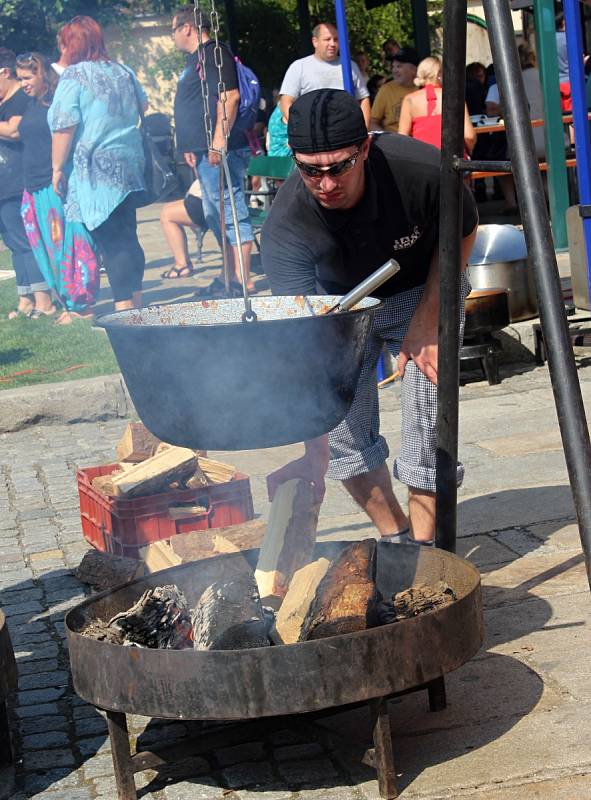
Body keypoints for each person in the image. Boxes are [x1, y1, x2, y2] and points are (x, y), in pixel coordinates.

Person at [261, 89, 478, 544]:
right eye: (310, 170)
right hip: (335, 312)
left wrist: (428, 317)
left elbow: (462, 229)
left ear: (364, 148)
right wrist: (314, 446)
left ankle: (425, 548)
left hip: (422, 288)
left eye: (339, 166)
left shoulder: (417, 170)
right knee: (343, 427)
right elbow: (307, 347)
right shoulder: (285, 227)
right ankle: (395, 538)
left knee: (426, 410)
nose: (325, 184)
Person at [48, 15, 146, 313]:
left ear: (72, 45)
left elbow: (64, 126)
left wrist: (56, 168)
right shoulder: (123, 70)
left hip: (96, 172)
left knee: (111, 242)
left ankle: (124, 310)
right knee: (128, 236)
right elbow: (143, 106)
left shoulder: (74, 76)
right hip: (129, 165)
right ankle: (137, 305)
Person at [172, 4, 254, 296]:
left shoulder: (214, 53)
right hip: (203, 153)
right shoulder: (196, 58)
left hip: (221, 152)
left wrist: (218, 142)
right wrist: (190, 146)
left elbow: (229, 97)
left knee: (232, 214)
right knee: (215, 216)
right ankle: (227, 276)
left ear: (186, 28)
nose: (173, 37)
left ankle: (242, 281)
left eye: (173, 30)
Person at [14, 52, 98, 324]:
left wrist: (58, 173)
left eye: (28, 77)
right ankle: (66, 302)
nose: (23, 83)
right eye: (20, 78)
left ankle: (80, 305)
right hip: (33, 188)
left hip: (54, 185)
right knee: (46, 250)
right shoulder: (29, 105)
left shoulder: (55, 103)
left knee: (67, 246)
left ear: (42, 75)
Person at [0, 48, 54, 320]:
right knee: (13, 242)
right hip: (4, 185)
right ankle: (25, 297)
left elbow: (13, 130)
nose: (25, 82)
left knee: (26, 242)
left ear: (4, 73)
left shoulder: (22, 98)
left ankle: (43, 298)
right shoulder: (6, 103)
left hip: (18, 182)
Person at [278, 23, 370, 128]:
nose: (332, 44)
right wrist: (299, 129)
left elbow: (363, 99)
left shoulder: (350, 66)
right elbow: (286, 101)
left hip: (345, 132)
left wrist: (365, 131)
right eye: (327, 39)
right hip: (312, 132)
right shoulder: (299, 67)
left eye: (335, 39)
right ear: (315, 42)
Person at [398, 56, 476, 154]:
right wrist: (469, 152)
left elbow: (402, 139)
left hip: (422, 161)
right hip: (452, 160)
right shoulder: (454, 97)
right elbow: (469, 136)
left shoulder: (409, 100)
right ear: (439, 74)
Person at [159, 179, 207, 277]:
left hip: (208, 200)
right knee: (167, 208)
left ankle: (182, 264)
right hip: (203, 196)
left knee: (167, 215)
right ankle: (184, 262)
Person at [370, 47, 419, 133]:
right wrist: (389, 139)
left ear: (413, 69)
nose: (394, 70)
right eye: (393, 67)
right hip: (394, 142)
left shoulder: (423, 88)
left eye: (399, 66)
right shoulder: (386, 90)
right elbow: (372, 123)